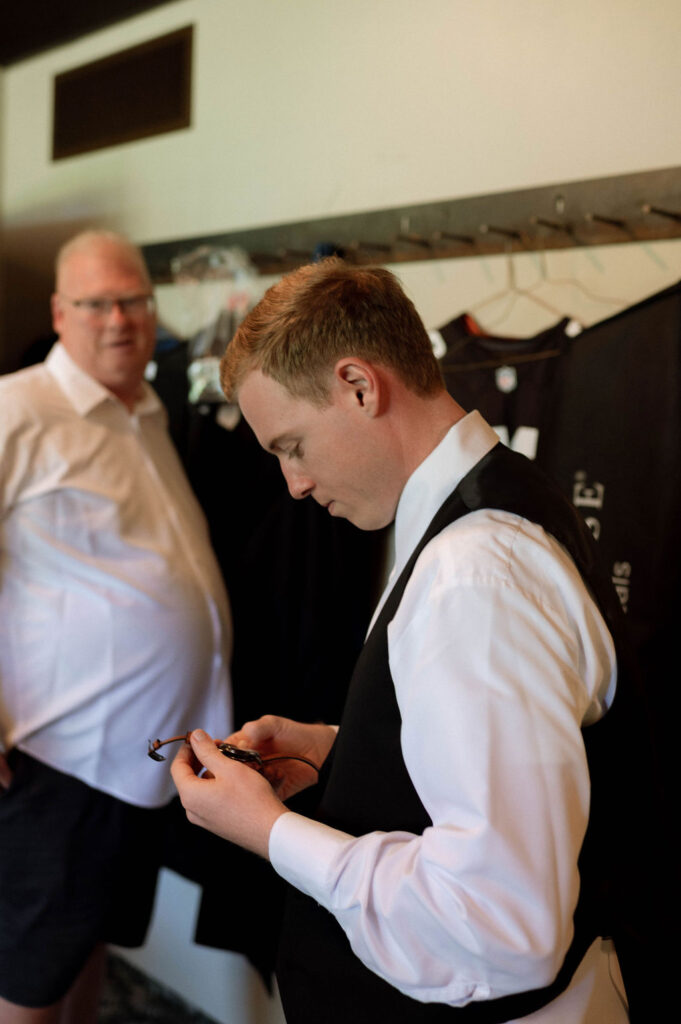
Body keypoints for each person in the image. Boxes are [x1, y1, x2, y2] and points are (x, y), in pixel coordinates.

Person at [170, 259, 653, 1023]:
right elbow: (513, 747)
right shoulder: (489, 502)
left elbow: (501, 926)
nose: (292, 485)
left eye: (291, 445)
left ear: (360, 386)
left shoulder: (473, 574)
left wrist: (270, 831)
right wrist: (344, 746)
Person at [0, 230, 233, 1023]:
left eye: (133, 299)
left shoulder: (148, 412)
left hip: (141, 758)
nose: (119, 318)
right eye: (97, 302)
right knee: (27, 979)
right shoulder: (19, 406)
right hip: (59, 756)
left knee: (91, 944)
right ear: (61, 313)